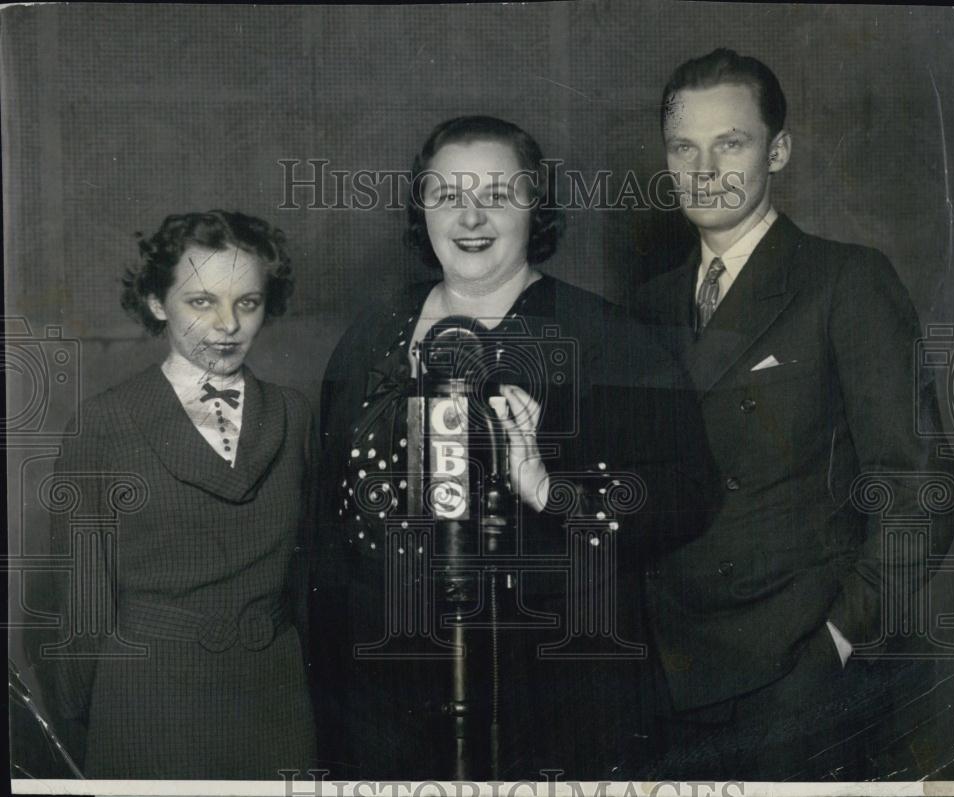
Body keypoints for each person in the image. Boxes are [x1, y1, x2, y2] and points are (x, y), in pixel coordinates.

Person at [311, 115, 713, 779]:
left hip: (549, 702)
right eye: (448, 195)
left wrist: (555, 491)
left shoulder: (603, 339)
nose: (471, 216)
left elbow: (688, 494)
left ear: (536, 207)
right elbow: (324, 523)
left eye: (498, 194)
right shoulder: (372, 334)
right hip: (383, 700)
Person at [634, 49, 954, 779]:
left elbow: (921, 491)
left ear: (777, 150)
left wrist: (838, 641)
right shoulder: (647, 305)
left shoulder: (844, 280)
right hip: (666, 676)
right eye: (684, 146)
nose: (705, 168)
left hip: (793, 679)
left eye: (732, 142)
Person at [43, 210, 316, 779]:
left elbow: (312, 579)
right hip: (148, 704)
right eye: (201, 302)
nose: (227, 325)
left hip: (277, 703)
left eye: (247, 302)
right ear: (156, 303)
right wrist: (83, 720)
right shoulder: (105, 422)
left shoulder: (293, 413)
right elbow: (81, 603)